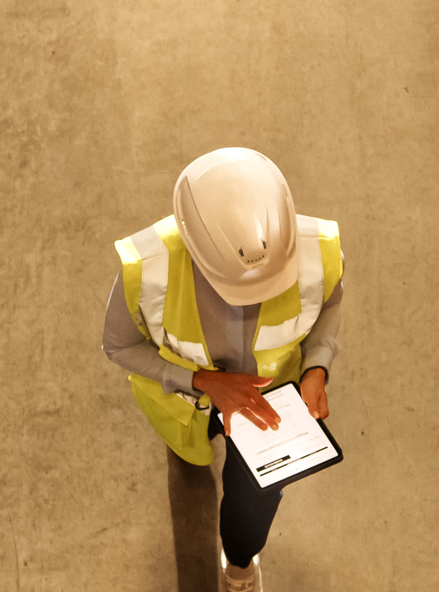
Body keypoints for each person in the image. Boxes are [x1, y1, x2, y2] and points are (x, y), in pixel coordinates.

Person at [102, 147, 346, 592]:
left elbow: (328, 303)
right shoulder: (147, 266)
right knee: (189, 455)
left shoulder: (316, 250)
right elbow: (118, 345)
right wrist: (203, 382)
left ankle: (239, 567)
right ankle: (192, 447)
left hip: (268, 405)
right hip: (184, 402)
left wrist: (316, 368)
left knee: (256, 499)